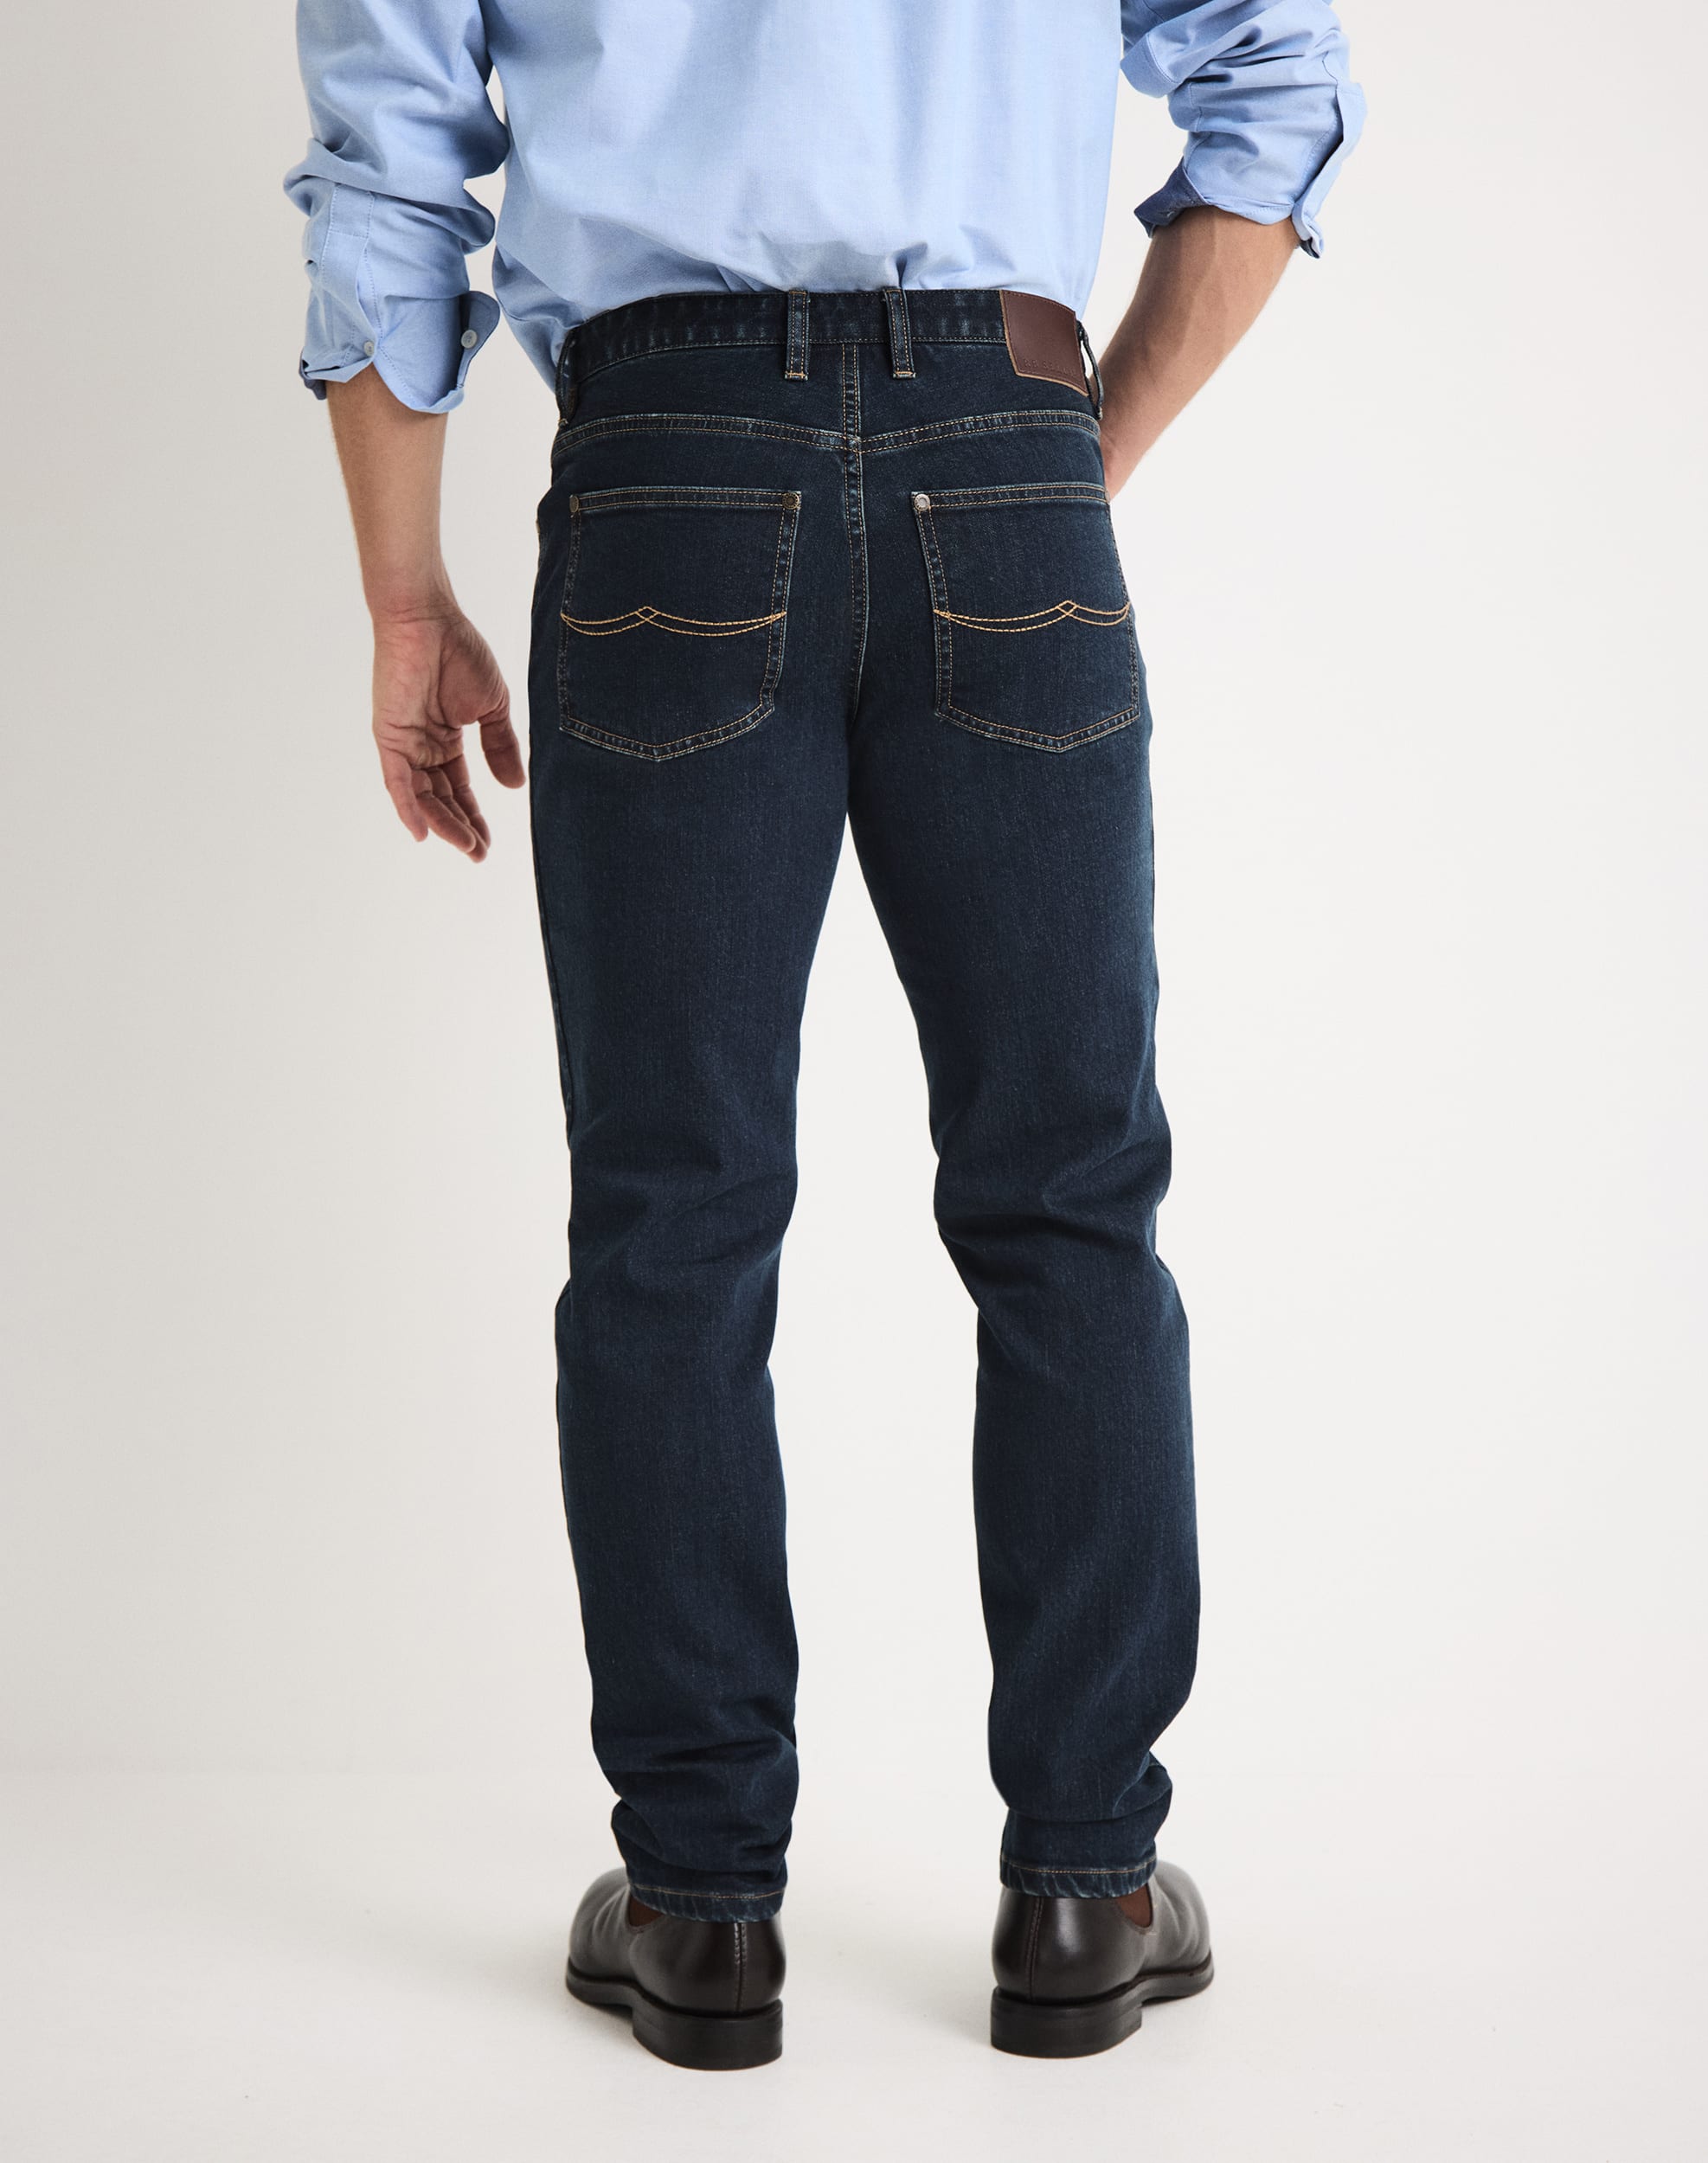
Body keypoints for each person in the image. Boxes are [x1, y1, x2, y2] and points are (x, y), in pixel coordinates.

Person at [286, 0, 1362, 2070]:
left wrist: (406, 600)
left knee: (670, 1219)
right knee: (1068, 1196)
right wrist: (1061, 461)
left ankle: (701, 1909)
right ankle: (1088, 1882)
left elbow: (387, 177)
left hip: (664, 475)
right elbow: (1280, 85)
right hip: (1005, 434)